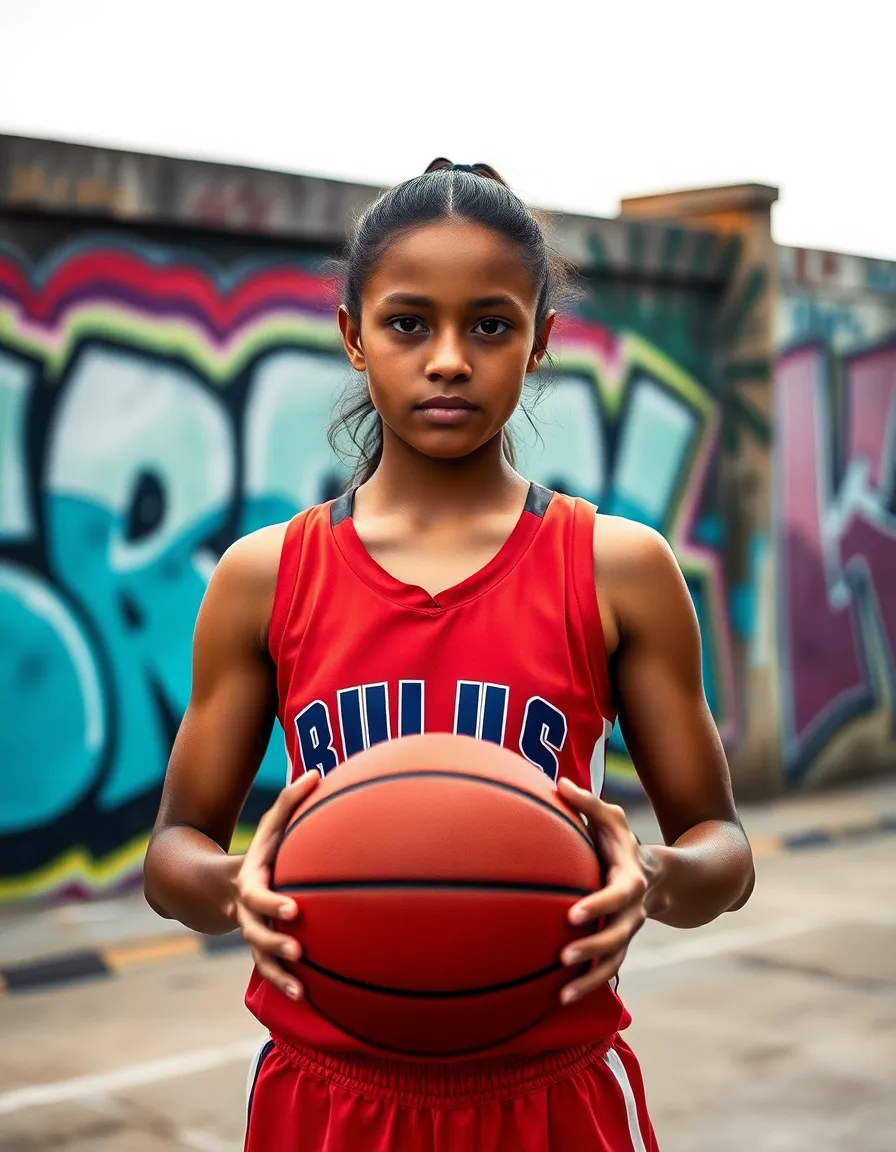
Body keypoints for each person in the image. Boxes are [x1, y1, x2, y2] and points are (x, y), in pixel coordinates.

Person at [144, 158, 755, 1151]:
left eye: (488, 324)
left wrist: (648, 872)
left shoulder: (614, 567)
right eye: (406, 322)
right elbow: (173, 854)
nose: (447, 359)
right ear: (352, 336)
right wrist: (235, 884)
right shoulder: (265, 577)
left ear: (539, 341)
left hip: (548, 1089)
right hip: (326, 1094)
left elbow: (721, 848)